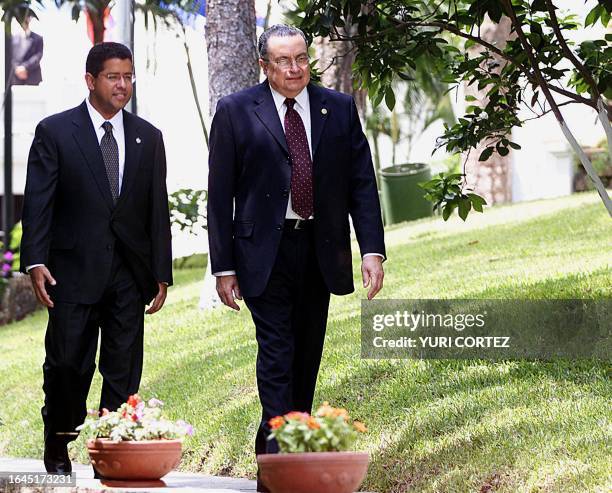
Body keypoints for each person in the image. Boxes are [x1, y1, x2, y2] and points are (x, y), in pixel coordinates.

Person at [207, 24, 386, 492]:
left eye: (301, 58)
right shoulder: (235, 111)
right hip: (261, 253)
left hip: (319, 249)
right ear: (264, 66)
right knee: (277, 354)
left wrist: (371, 249)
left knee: (306, 356)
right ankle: (278, 466)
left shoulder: (339, 108)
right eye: (283, 61)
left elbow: (361, 184)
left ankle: (286, 450)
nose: (295, 69)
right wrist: (223, 266)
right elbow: (219, 194)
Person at [20, 42, 173, 475]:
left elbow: (155, 209)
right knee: (68, 364)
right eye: (113, 77)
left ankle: (111, 452)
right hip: (71, 272)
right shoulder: (56, 131)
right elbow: (38, 203)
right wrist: (35, 260)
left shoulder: (148, 137)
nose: (122, 85)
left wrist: (161, 271)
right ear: (91, 80)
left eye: (128, 77)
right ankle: (60, 441)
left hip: (129, 272)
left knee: (123, 369)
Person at [12, 14, 43, 86]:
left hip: (33, 77)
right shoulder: (13, 39)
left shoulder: (38, 38)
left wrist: (24, 67)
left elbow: (38, 56)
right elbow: (10, 57)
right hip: (16, 78)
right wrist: (17, 69)